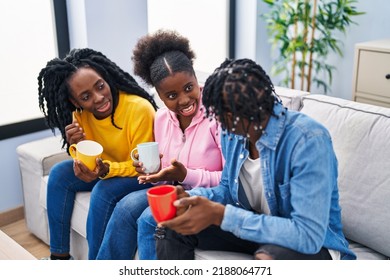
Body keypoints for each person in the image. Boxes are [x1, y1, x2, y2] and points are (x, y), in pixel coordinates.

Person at [155, 58, 357, 260]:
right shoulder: (232, 133)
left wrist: (222, 215)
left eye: (224, 115)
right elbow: (226, 189)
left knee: (268, 258)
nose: (218, 122)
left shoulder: (308, 140)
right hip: (259, 229)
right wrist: (194, 199)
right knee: (174, 227)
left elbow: (308, 234)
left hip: (313, 244)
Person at [95, 29, 224, 260]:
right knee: (125, 208)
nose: (184, 100)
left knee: (148, 218)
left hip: (208, 195)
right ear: (160, 96)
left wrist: (187, 175)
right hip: (174, 190)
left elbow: (231, 180)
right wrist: (153, 173)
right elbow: (167, 175)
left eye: (188, 88)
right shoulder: (162, 119)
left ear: (196, 79)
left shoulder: (217, 115)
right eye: (172, 95)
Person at [37, 48, 158, 260]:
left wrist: (105, 170)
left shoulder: (139, 109)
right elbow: (90, 159)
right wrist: (77, 147)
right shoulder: (80, 114)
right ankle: (59, 258)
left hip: (139, 175)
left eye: (100, 86)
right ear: (76, 102)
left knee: (104, 190)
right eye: (86, 96)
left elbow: (145, 166)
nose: (99, 97)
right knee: (59, 174)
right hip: (108, 169)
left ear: (106, 77)